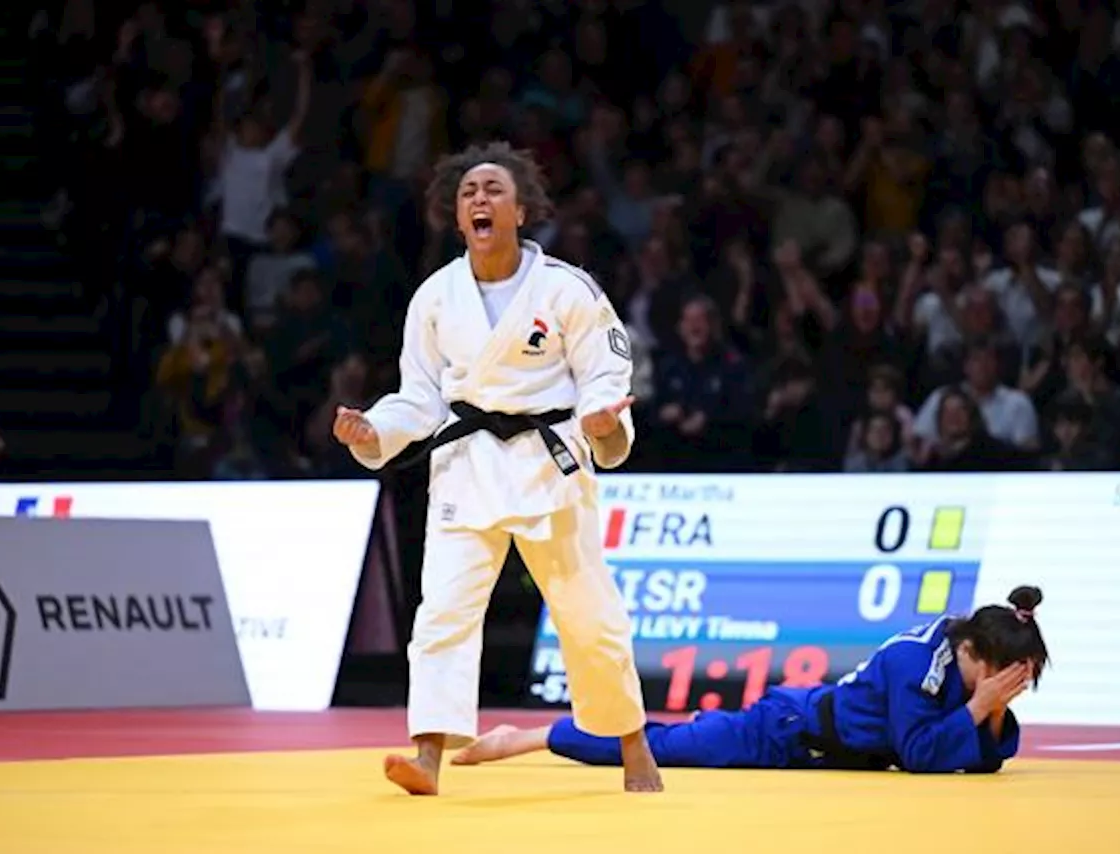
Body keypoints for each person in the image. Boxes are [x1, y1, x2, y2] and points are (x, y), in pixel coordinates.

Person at [331, 142, 662, 795]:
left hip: (549, 465)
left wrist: (603, 423)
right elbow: (421, 395)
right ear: (456, 217)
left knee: (590, 615)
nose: (479, 200)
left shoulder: (568, 288)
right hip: (468, 464)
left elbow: (604, 376)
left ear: (522, 210)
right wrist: (376, 429)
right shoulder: (434, 297)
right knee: (442, 613)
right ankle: (427, 755)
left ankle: (633, 747)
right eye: (468, 193)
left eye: (493, 190)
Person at [451, 587, 1050, 775]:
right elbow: (923, 755)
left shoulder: (968, 668)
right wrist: (979, 710)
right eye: (998, 677)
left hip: (828, 758)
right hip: (782, 730)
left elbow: (983, 762)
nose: (1001, 689)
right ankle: (526, 737)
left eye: (1015, 683)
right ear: (970, 649)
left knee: (664, 745)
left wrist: (990, 708)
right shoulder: (917, 663)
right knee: (659, 748)